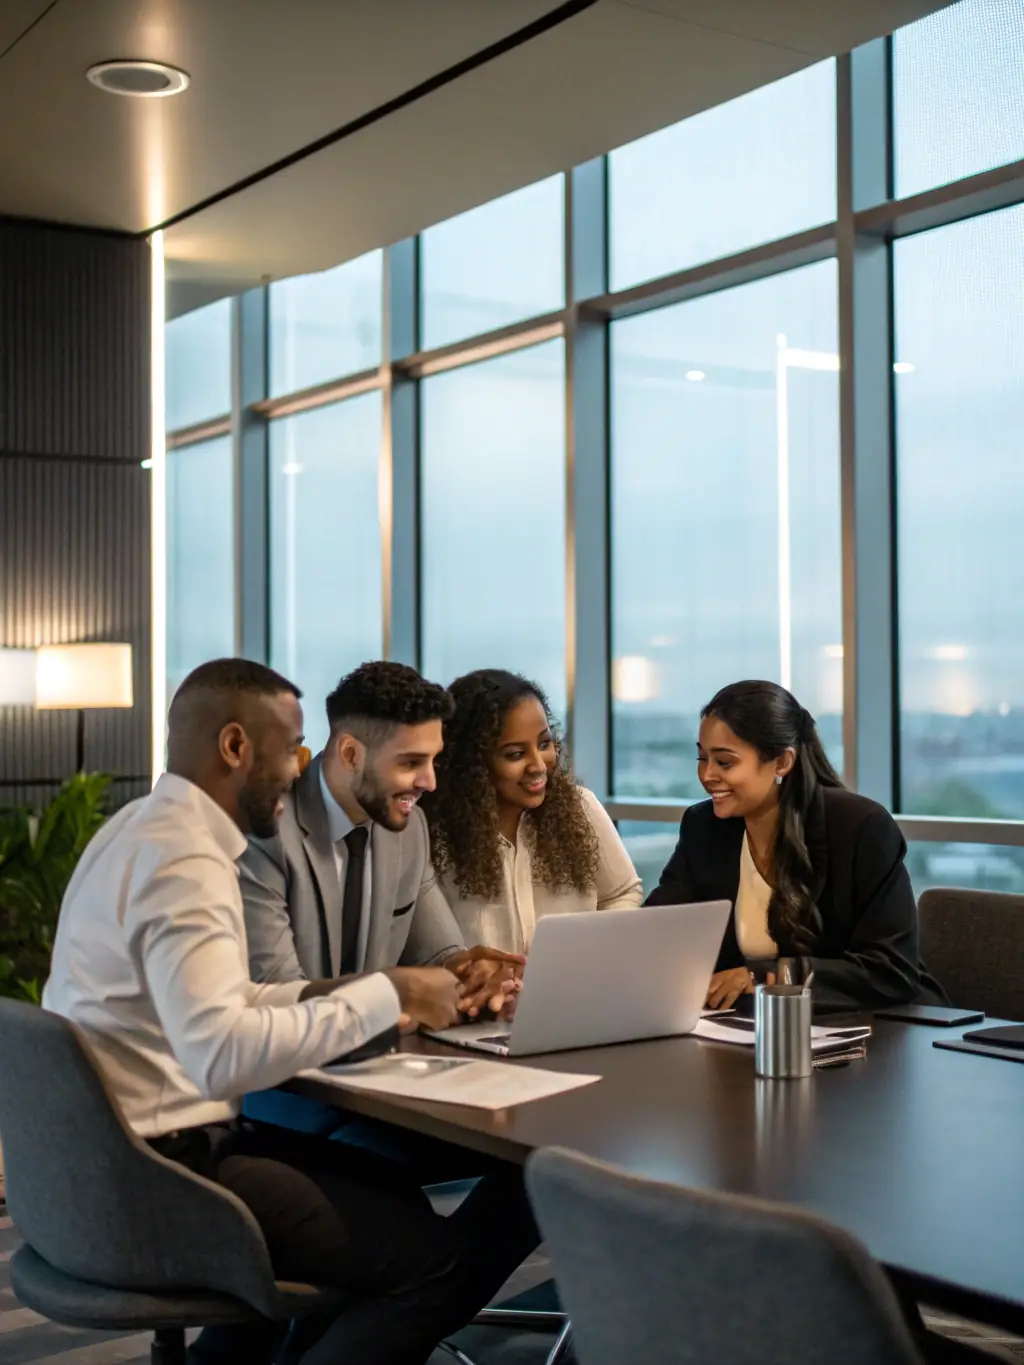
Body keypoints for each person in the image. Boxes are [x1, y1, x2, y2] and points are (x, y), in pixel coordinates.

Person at [43, 659, 539, 1365]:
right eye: (292, 748)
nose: (299, 767)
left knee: (386, 1191)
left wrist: (389, 988)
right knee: (436, 1265)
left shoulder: (142, 828)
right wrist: (389, 994)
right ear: (235, 747)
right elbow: (223, 1054)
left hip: (111, 1154)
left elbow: (235, 1002)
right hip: (161, 1170)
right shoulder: (187, 861)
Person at [241, 660, 523, 1145]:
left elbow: (442, 959)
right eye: (411, 763)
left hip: (378, 1083)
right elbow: (281, 999)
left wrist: (477, 982)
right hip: (284, 1098)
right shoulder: (266, 832)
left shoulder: (407, 830)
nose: (430, 782)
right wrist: (398, 991)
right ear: (351, 753)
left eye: (433, 761)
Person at [646, 679, 944, 1011]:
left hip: (883, 1023)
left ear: (782, 762)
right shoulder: (704, 827)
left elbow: (891, 970)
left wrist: (767, 976)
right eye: (702, 759)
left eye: (725, 762)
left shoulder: (860, 827)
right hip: (755, 1025)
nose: (707, 775)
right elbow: (656, 928)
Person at [422, 669, 643, 955]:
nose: (538, 765)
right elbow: (427, 949)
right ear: (471, 763)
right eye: (516, 754)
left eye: (544, 744)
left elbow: (622, 893)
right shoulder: (431, 834)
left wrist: (589, 950)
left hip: (574, 981)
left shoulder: (581, 808)